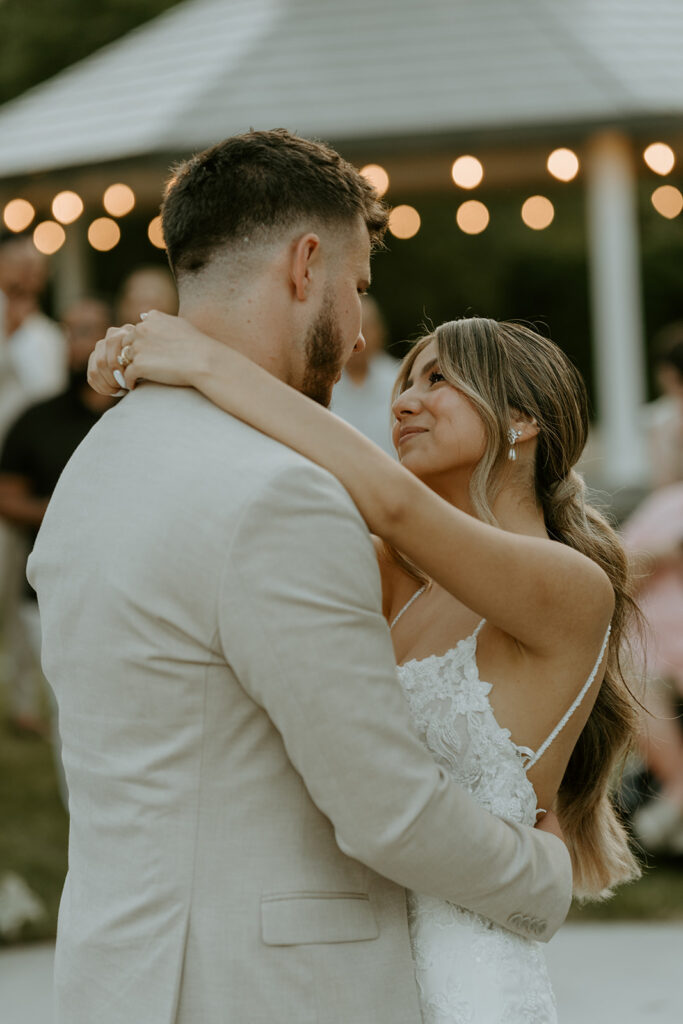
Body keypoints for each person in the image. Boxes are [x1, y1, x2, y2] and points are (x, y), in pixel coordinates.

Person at [29, 130, 572, 1024]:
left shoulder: (100, 461)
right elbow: (384, 810)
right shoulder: (277, 496)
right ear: (304, 264)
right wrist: (541, 880)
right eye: (356, 289)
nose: (361, 332)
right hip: (263, 989)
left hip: (118, 975)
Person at [91, 299, 642, 1018]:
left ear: (521, 419)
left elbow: (388, 501)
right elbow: (279, 476)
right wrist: (151, 363)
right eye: (403, 385)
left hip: (464, 973)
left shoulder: (570, 586)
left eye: (437, 380)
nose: (405, 402)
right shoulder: (396, 579)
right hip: (353, 962)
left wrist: (202, 356)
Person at [0, 297, 116, 794]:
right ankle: (78, 815)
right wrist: (70, 511)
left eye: (87, 330)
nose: (76, 342)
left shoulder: (142, 411)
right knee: (69, 716)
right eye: (69, 332)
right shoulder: (36, 418)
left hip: (125, 588)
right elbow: (6, 498)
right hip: (46, 594)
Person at [330, 294, 399, 453]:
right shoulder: (320, 383)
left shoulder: (400, 380)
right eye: (350, 327)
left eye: (365, 328)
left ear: (379, 331)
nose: (358, 336)